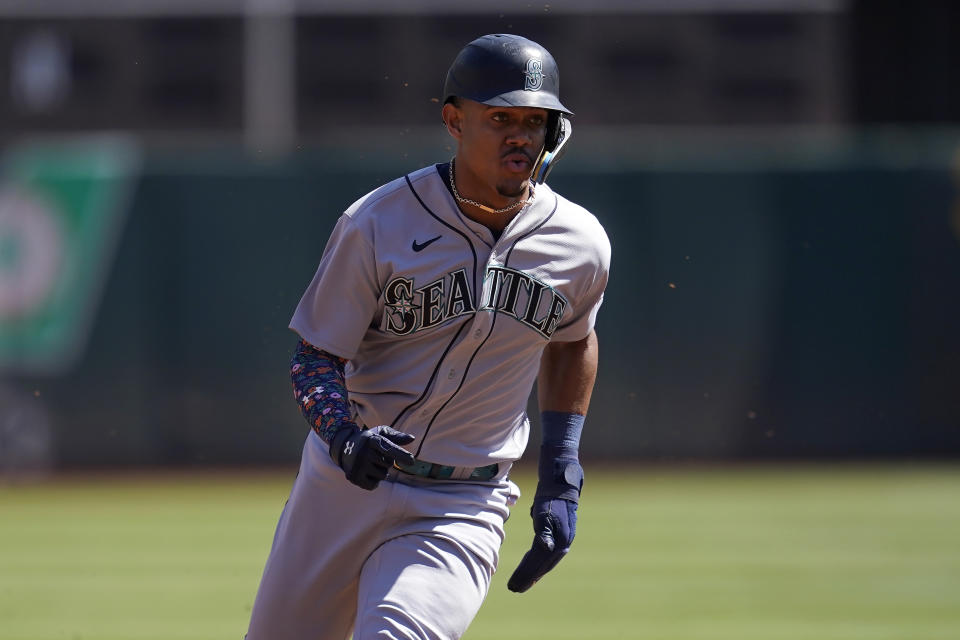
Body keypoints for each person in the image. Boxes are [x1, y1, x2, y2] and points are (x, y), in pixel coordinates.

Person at [245, 33, 611, 640]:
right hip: (342, 487)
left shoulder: (579, 243)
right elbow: (315, 358)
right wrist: (344, 437)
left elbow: (573, 341)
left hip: (462, 504)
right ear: (454, 120)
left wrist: (560, 478)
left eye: (535, 120)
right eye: (500, 117)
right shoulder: (378, 222)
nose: (520, 134)